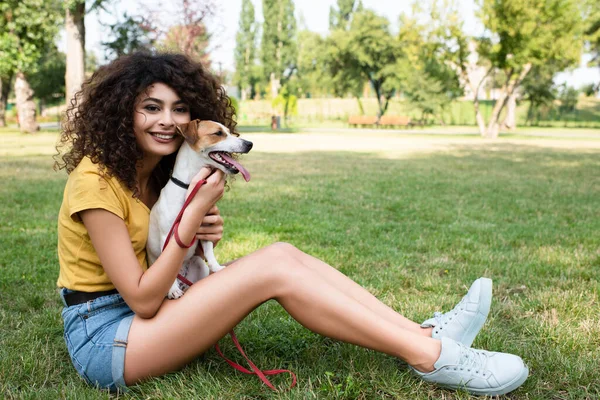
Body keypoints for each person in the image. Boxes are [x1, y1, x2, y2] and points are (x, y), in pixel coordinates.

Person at [54, 52, 528, 396]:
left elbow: (161, 257)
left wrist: (196, 230)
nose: (167, 121)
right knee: (272, 270)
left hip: (150, 317)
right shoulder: (96, 181)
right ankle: (433, 358)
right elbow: (141, 295)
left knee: (281, 254)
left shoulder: (155, 173)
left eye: (179, 109)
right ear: (122, 112)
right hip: (110, 337)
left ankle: (424, 334)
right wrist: (190, 220)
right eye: (150, 107)